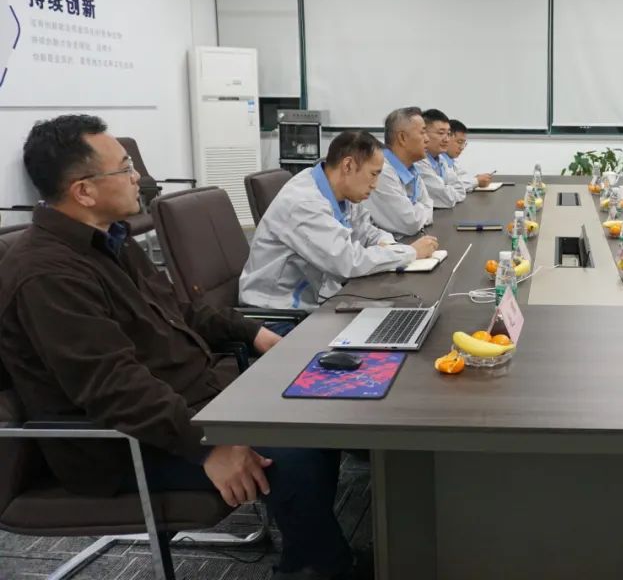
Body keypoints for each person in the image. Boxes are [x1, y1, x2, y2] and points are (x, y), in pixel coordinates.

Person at [0, 115, 359, 580]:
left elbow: (179, 310)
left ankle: (312, 556)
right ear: (83, 191)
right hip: (124, 444)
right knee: (297, 455)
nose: (140, 178)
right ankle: (317, 567)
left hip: (186, 404)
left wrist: (253, 332)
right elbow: (114, 388)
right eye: (126, 168)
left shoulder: (110, 240)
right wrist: (209, 448)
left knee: (318, 417)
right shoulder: (47, 274)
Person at [240, 131, 439, 311]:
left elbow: (366, 231)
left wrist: (388, 244)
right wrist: (409, 252)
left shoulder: (342, 191)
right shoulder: (305, 203)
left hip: (319, 297)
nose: (375, 184)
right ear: (348, 166)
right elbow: (347, 262)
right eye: (373, 174)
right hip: (278, 312)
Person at [363, 106, 435, 237]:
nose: (427, 139)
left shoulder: (411, 169)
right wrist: (420, 209)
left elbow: (429, 204)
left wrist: (417, 210)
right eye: (422, 132)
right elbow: (410, 224)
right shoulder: (381, 171)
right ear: (402, 138)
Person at [415, 108, 465, 208]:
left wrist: (446, 189)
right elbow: (447, 199)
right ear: (424, 133)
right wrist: (448, 189)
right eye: (441, 133)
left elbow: (460, 190)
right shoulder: (418, 162)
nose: (446, 139)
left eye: (448, 134)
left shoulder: (441, 159)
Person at [445, 119, 493, 192]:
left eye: (464, 143)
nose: (462, 147)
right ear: (447, 138)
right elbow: (452, 187)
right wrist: (476, 181)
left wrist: (474, 179)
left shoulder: (452, 160)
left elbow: (462, 178)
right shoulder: (438, 161)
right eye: (459, 142)